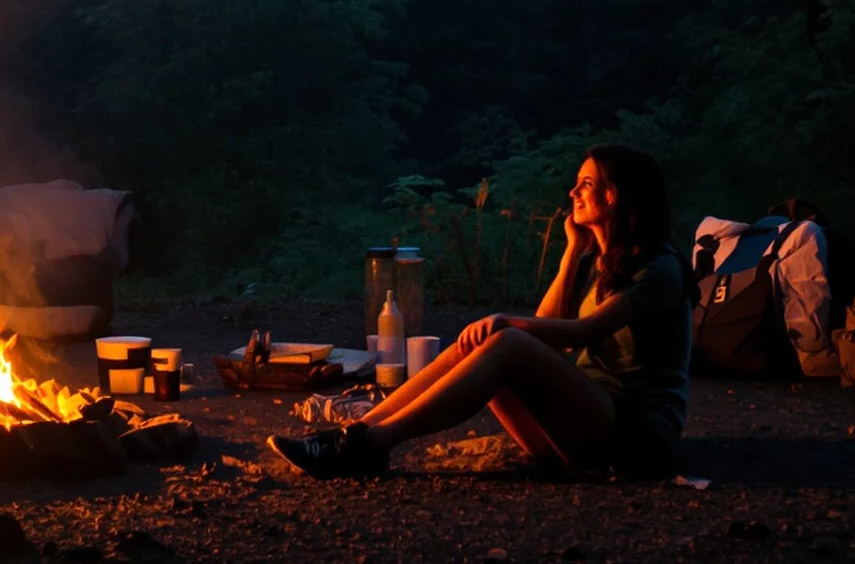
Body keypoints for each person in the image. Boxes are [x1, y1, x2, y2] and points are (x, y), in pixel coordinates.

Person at [271, 143, 691, 481]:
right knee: (494, 340)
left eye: (584, 184)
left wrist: (506, 322)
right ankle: (355, 435)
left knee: (506, 339)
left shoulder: (659, 268)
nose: (572, 193)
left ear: (614, 195)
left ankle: (373, 444)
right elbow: (547, 324)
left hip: (638, 437)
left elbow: (578, 333)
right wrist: (570, 255)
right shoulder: (593, 262)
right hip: (575, 429)